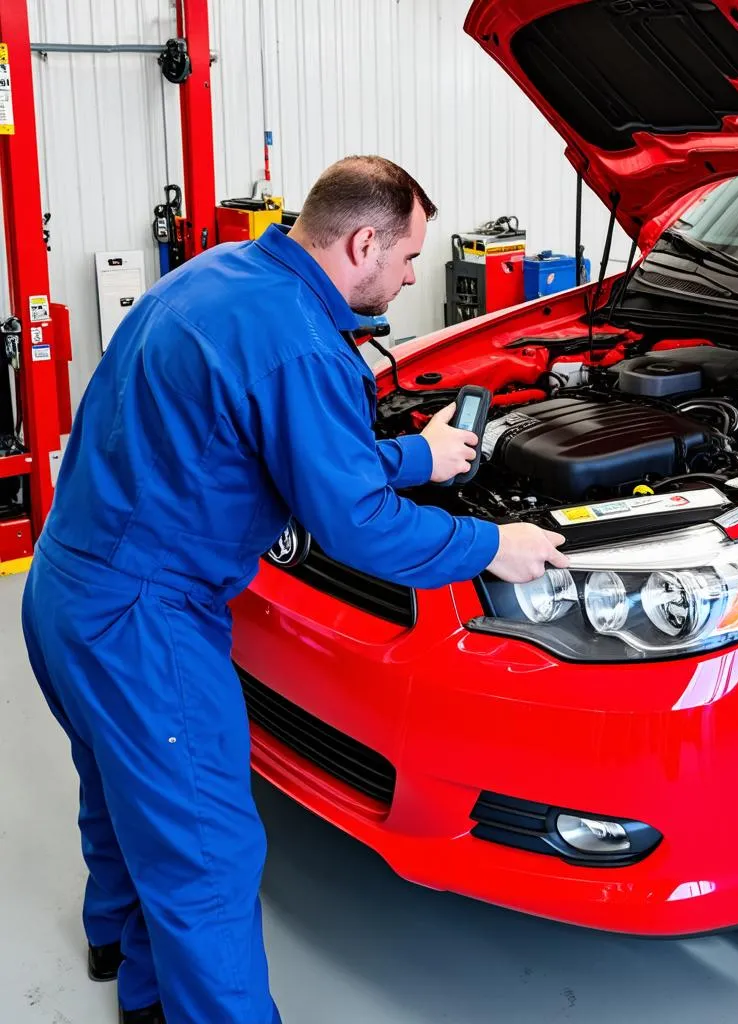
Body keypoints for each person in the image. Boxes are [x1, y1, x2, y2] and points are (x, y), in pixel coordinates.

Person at [21, 155, 569, 1024]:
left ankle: (122, 961)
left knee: (121, 790)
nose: (413, 275)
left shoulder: (222, 274)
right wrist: (492, 544)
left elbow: (270, 441)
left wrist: (418, 456)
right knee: (207, 853)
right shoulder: (304, 347)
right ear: (361, 243)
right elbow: (360, 527)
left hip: (63, 584)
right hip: (142, 622)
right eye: (408, 258)